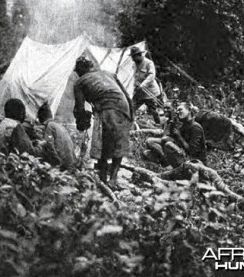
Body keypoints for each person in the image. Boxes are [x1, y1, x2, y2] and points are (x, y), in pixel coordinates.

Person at [73, 57, 133, 185]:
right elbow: (127, 95)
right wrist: (131, 115)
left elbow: (79, 107)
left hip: (108, 107)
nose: (77, 74)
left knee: (104, 142)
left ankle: (104, 177)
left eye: (77, 71)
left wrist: (82, 123)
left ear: (82, 69)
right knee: (119, 141)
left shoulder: (80, 82)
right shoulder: (109, 74)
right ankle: (113, 177)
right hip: (123, 106)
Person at [163, 102, 207, 168]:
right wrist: (172, 125)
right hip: (186, 156)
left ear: (189, 110)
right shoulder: (184, 125)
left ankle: (177, 169)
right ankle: (171, 166)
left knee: (169, 144)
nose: (178, 112)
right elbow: (174, 139)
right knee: (165, 139)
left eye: (180, 109)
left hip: (196, 162)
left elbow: (192, 151)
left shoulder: (195, 127)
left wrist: (179, 136)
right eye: (177, 110)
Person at [37, 101, 76, 170]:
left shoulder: (50, 126)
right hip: (71, 161)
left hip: (64, 164)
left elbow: (50, 146)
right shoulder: (59, 126)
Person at [130, 46, 161, 124]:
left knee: (152, 110)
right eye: (132, 57)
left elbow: (151, 76)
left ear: (140, 55)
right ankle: (130, 123)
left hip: (150, 92)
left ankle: (159, 124)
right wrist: (135, 86)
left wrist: (142, 85)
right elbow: (135, 76)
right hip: (140, 93)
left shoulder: (149, 63)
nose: (133, 59)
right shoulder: (134, 64)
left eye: (134, 56)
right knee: (131, 107)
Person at [145, 101, 178, 165]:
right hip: (165, 142)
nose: (165, 110)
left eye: (168, 108)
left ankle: (166, 160)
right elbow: (162, 130)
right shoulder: (167, 120)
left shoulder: (176, 120)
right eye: (164, 108)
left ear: (173, 109)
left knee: (149, 141)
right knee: (147, 153)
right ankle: (161, 161)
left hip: (173, 144)